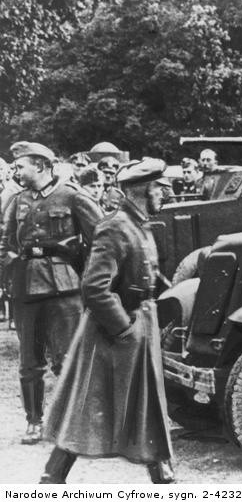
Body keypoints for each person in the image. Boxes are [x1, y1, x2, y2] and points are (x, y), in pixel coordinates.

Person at [41, 158, 176, 484]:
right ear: (144, 189)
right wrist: (125, 329)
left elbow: (149, 275)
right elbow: (95, 288)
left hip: (138, 326)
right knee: (82, 411)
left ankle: (165, 479)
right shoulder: (116, 226)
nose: (166, 193)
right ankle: (50, 482)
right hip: (114, 335)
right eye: (160, 187)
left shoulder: (138, 224)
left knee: (148, 408)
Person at [0, 142, 103, 445]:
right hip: (25, 288)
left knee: (68, 358)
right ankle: (35, 422)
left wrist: (90, 277)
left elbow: (100, 238)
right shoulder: (16, 201)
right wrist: (8, 273)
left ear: (41, 166)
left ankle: (76, 421)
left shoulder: (72, 196)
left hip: (64, 287)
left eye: (21, 166)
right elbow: (4, 242)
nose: (16, 170)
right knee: (29, 361)